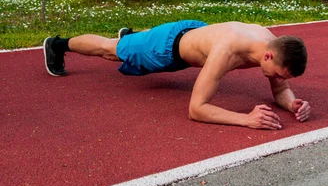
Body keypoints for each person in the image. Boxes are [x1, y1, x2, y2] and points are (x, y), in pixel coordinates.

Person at [43, 20, 310, 130]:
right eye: (278, 74)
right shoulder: (227, 52)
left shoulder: (275, 46)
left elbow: (280, 90)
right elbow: (196, 109)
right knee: (111, 50)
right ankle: (57, 44)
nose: (279, 79)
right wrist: (246, 119)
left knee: (127, 46)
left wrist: (291, 103)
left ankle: (134, 40)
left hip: (196, 35)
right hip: (168, 48)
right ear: (267, 57)